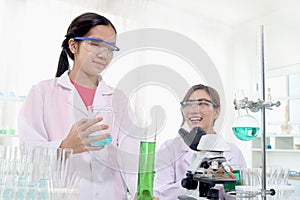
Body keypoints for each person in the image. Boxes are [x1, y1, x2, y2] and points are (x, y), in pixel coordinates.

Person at [18, 12, 141, 200]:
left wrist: (142, 193)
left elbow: (131, 156)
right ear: (73, 45)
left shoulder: (118, 99)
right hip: (61, 195)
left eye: (110, 48)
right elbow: (28, 153)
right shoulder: (42, 93)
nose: (103, 54)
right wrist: (65, 146)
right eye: (95, 44)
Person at [154, 84, 247, 200]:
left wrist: (228, 184)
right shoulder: (169, 148)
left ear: (217, 111)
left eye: (202, 104)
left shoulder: (233, 152)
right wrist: (200, 179)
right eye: (188, 104)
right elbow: (161, 193)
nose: (194, 110)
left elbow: (242, 195)